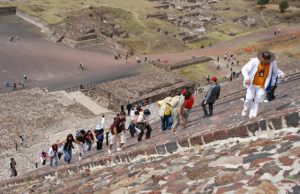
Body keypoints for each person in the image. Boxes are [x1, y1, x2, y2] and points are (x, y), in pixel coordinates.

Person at [241, 51, 278, 118]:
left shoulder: (273, 63)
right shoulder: (254, 61)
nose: (266, 62)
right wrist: (246, 78)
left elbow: (275, 73)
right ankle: (245, 109)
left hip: (262, 85)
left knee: (257, 100)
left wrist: (272, 83)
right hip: (252, 83)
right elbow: (244, 69)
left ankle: (252, 114)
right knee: (249, 98)